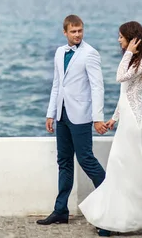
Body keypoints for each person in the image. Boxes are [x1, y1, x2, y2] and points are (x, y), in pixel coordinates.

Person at [79, 21, 142, 236]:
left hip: (136, 123)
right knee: (120, 168)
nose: (119, 40)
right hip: (126, 121)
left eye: (121, 36)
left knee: (134, 169)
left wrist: (128, 53)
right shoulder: (133, 59)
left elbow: (120, 77)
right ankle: (113, 220)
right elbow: (124, 93)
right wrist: (114, 118)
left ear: (132, 38)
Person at [36, 14, 109, 226]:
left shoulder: (90, 53)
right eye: (73, 31)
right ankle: (60, 211)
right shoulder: (60, 52)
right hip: (62, 115)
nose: (77, 35)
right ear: (65, 32)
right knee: (64, 162)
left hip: (82, 115)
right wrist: (51, 113)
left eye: (80, 31)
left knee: (86, 159)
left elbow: (98, 87)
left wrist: (98, 118)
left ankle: (112, 199)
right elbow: (57, 84)